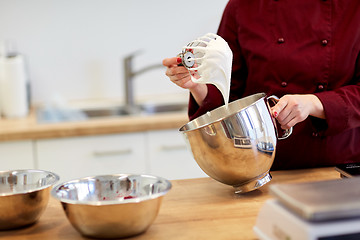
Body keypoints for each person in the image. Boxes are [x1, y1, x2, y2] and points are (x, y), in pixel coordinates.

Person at [162, 0, 360, 170]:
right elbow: (228, 95)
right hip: (261, 166)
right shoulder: (243, 7)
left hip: (338, 169)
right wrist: (196, 85)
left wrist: (315, 103)